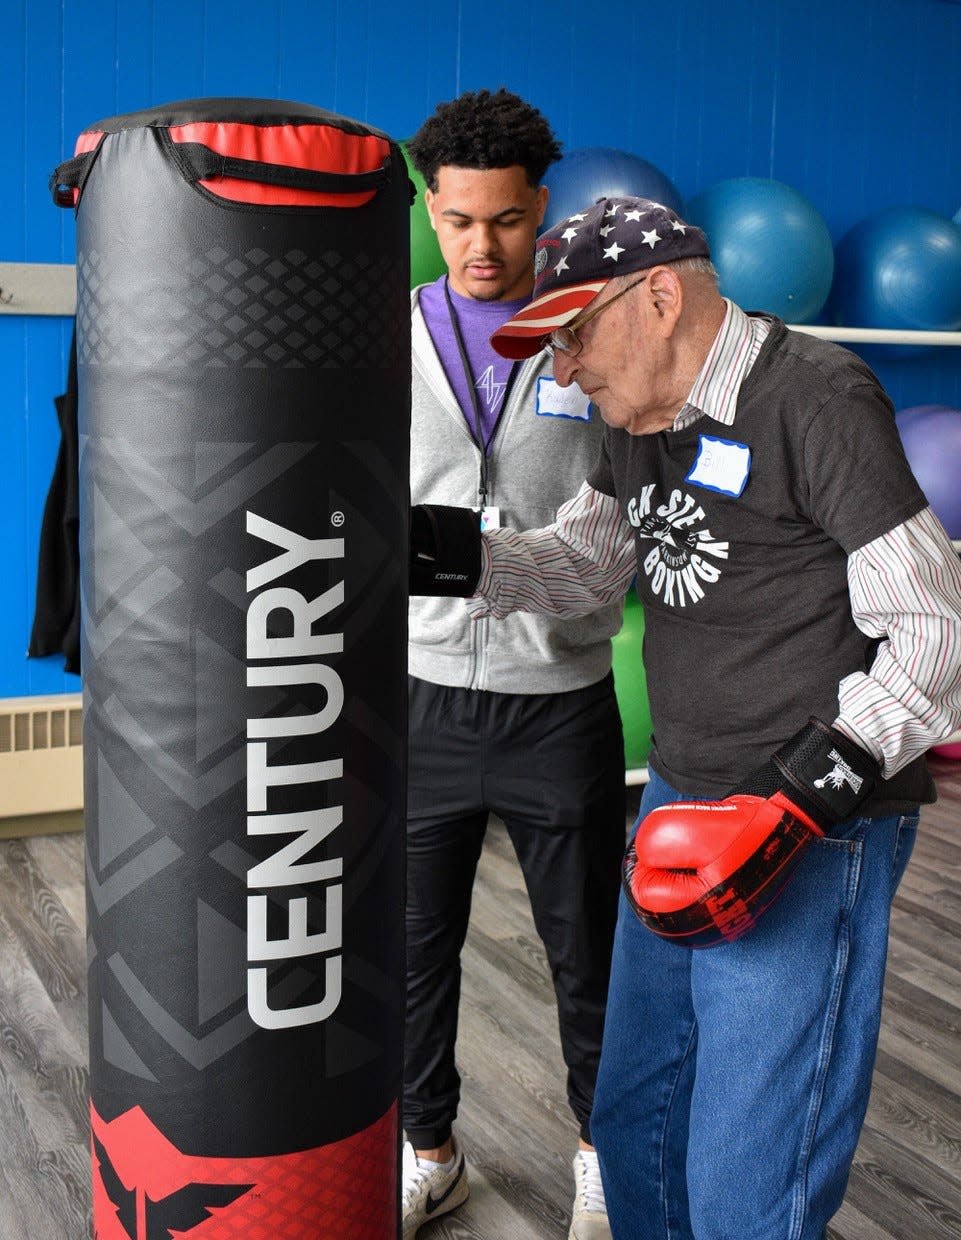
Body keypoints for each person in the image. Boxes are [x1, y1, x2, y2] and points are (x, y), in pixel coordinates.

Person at [413, 194, 961, 1239]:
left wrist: (798, 801)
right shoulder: (637, 420)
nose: (562, 371)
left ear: (657, 297)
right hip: (677, 795)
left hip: (807, 817)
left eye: (572, 335)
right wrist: (428, 550)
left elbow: (934, 629)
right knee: (633, 1126)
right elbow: (585, 565)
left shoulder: (815, 398)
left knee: (749, 1172)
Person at [403, 90, 627, 1239]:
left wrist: (468, 556)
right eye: (457, 222)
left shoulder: (592, 338)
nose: (481, 247)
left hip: (560, 704)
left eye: (502, 221)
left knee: (588, 962)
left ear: (540, 209)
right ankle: (429, 1151)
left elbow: (611, 546)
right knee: (410, 955)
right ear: (428, 210)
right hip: (418, 698)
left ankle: (598, 1155)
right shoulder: (383, 335)